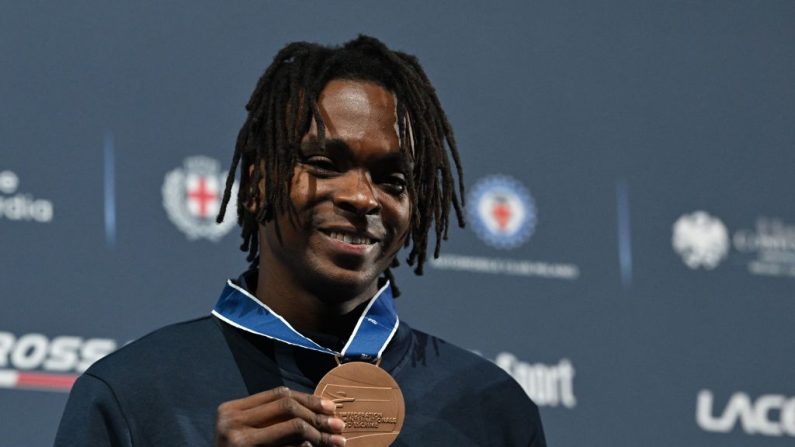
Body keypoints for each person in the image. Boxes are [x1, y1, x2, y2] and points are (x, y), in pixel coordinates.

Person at [55, 35, 546, 446]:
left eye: (392, 181)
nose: (361, 197)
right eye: (325, 165)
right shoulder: (131, 394)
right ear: (254, 188)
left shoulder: (492, 411)